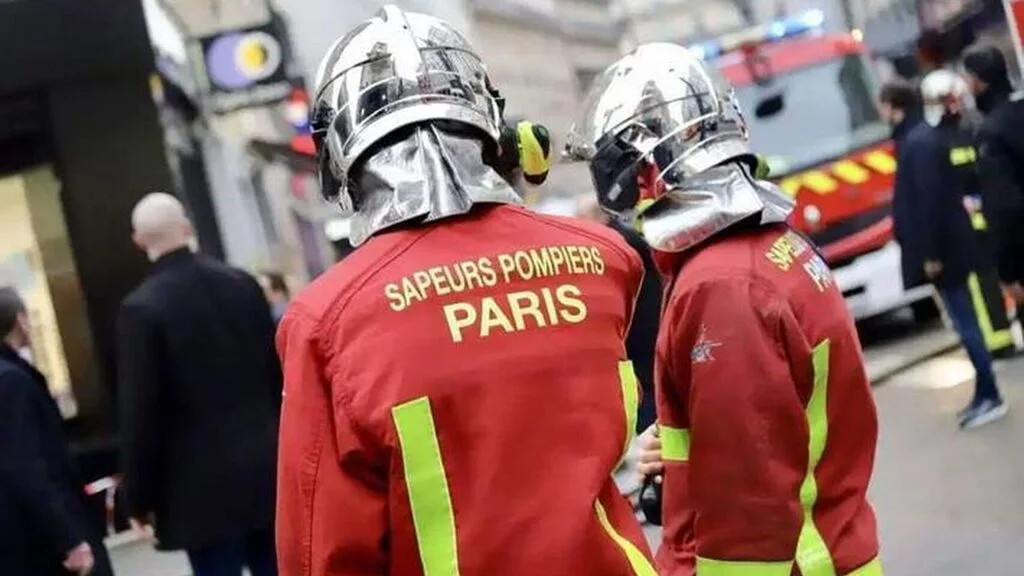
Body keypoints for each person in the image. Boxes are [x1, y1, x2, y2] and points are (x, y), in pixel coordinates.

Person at [275, 6, 655, 576]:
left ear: (340, 156)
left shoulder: (326, 320)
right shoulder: (601, 258)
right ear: (490, 125)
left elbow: (321, 549)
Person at [565, 43, 882, 575]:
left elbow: (749, 514)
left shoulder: (724, 286)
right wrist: (680, 444)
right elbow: (765, 424)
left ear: (643, 170)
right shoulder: (763, 250)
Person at [117, 192, 281, 576]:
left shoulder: (141, 310)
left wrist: (138, 498)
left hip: (199, 495)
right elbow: (277, 377)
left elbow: (141, 414)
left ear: (139, 241)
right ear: (187, 227)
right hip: (269, 474)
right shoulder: (242, 284)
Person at [892, 69, 1007, 428]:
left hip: (951, 251)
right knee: (969, 321)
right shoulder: (948, 136)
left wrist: (928, 255)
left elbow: (928, 204)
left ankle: (990, 394)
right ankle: (985, 391)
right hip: (964, 243)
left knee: (967, 324)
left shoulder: (923, 142)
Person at [0, 287, 114, 576]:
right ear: (21, 320)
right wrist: (68, 538)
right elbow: (27, 466)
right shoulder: (13, 381)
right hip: (39, 541)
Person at [577, 195, 661, 433]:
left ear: (600, 216)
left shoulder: (618, 242)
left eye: (582, 219)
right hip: (643, 337)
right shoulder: (624, 239)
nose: (578, 226)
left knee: (647, 402)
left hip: (641, 340)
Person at [964, 45, 1024, 301]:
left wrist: (1008, 273)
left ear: (980, 82)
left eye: (968, 78)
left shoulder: (990, 133)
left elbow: (1004, 206)